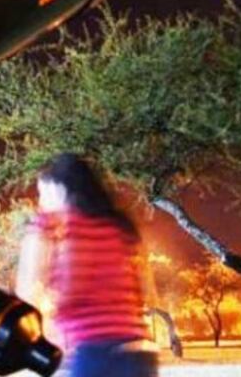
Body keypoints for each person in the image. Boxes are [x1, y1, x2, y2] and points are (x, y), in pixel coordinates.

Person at [15, 153, 157, 377]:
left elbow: (48, 290)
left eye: (43, 193)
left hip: (97, 353)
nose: (40, 203)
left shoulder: (60, 226)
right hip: (139, 352)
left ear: (59, 190)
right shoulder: (118, 225)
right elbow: (143, 291)